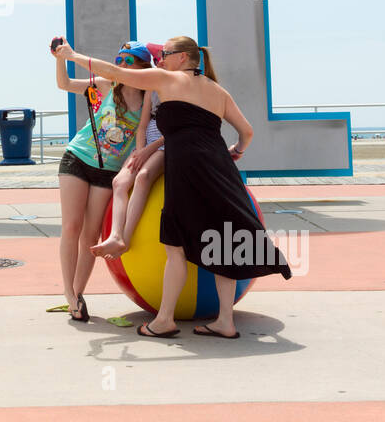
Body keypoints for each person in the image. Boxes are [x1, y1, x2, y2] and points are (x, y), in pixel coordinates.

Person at [54, 37, 291, 339]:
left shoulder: (166, 79)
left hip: (186, 169)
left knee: (174, 247)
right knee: (224, 240)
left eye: (165, 54)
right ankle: (225, 322)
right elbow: (247, 131)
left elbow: (115, 73)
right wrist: (237, 150)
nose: (161, 59)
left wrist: (73, 55)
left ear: (181, 58)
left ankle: (164, 320)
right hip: (221, 170)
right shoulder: (217, 90)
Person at [51, 38, 149, 322]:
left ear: (143, 66)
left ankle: (77, 295)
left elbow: (142, 134)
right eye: (119, 60)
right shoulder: (107, 85)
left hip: (109, 171)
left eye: (128, 61)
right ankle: (69, 294)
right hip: (78, 158)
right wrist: (61, 57)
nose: (121, 65)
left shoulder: (147, 99)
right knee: (71, 226)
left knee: (91, 236)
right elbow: (65, 84)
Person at [91, 80, 164, 260]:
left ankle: (127, 237)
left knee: (143, 177)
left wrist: (147, 151)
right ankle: (115, 235)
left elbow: (174, 131)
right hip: (145, 146)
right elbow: (142, 126)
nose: (160, 62)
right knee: (119, 182)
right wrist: (140, 151)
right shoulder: (151, 88)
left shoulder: (180, 89)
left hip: (165, 146)